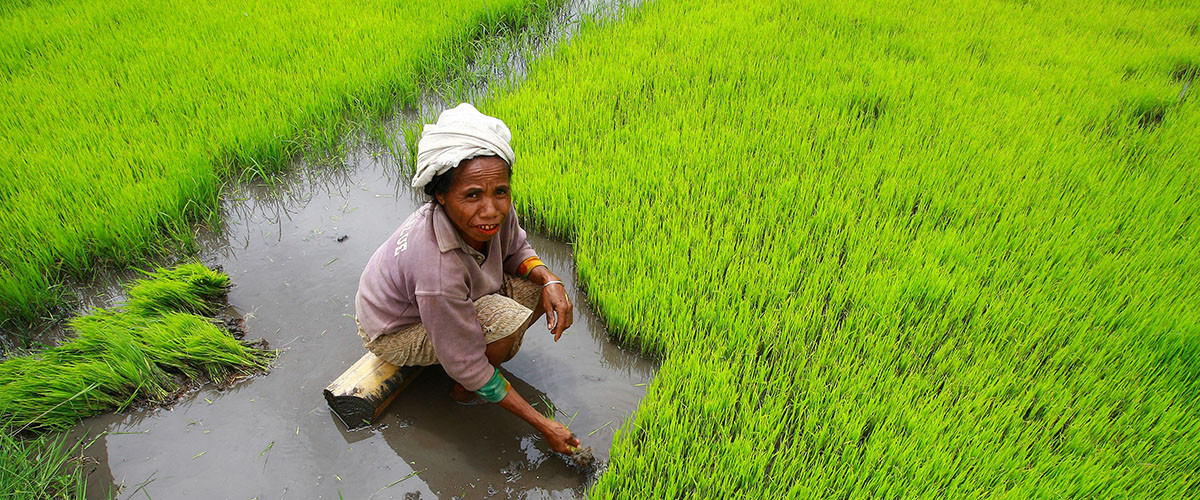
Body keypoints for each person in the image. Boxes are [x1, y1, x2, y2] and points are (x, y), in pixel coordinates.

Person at [355, 103, 581, 454]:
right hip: (395, 331)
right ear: (441, 195)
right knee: (501, 323)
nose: (491, 210)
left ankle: (478, 358)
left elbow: (516, 250)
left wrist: (552, 281)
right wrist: (544, 425)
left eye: (500, 191)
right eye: (472, 195)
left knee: (539, 290)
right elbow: (467, 362)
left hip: (443, 302)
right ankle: (464, 390)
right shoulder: (437, 267)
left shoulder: (493, 211)